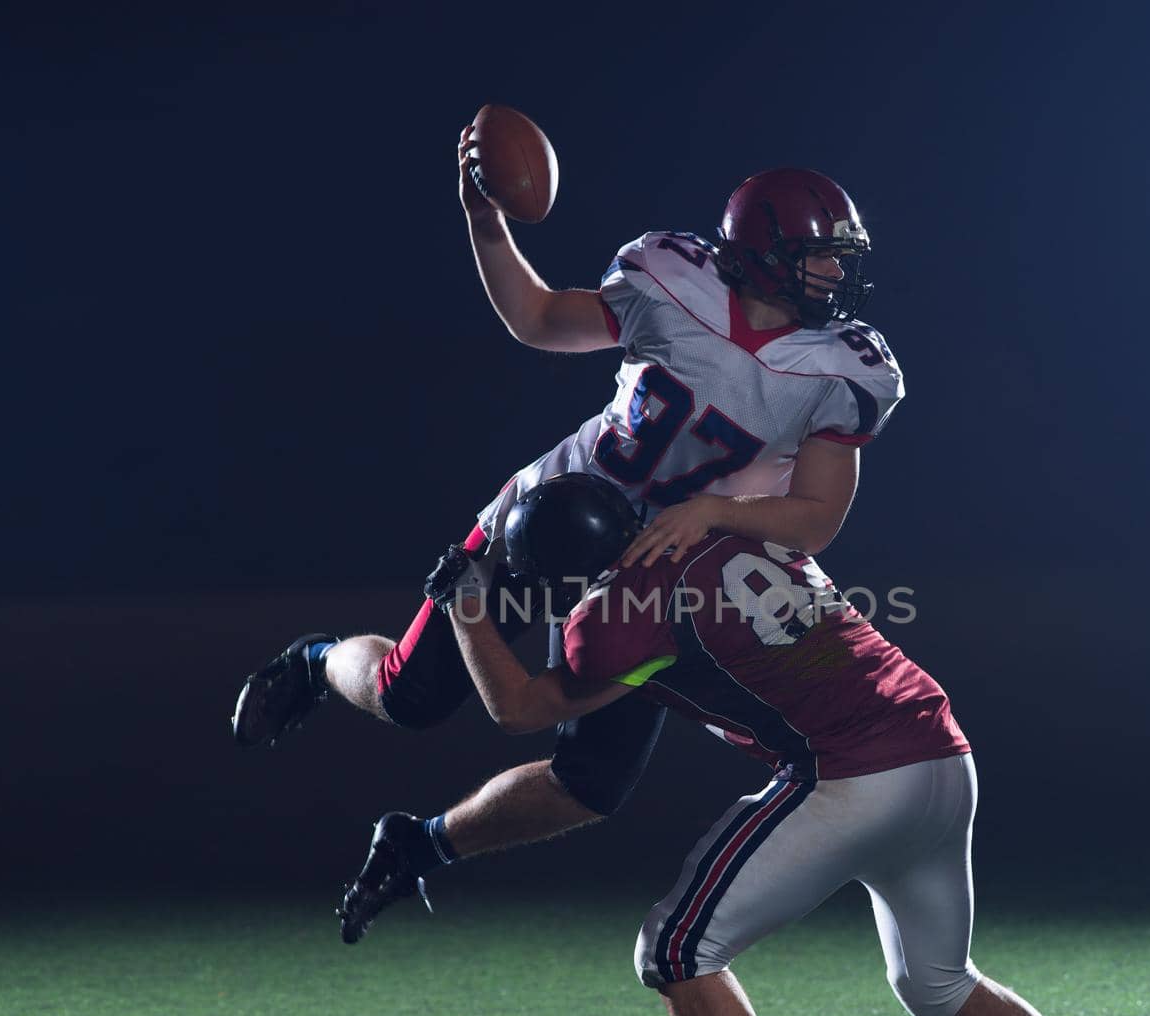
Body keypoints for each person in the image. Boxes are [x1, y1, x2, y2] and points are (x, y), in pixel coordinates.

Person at [337, 473, 1147, 1016]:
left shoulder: (618, 617)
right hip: (940, 754)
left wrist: (467, 607)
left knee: (676, 950)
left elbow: (520, 709)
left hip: (847, 775)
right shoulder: (726, 526)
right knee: (938, 982)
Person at [230, 131, 907, 839]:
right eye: (820, 255)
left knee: (591, 781)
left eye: (841, 255)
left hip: (656, 570)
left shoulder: (844, 367)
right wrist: (485, 221)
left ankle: (420, 849)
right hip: (550, 520)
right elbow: (540, 319)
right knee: (410, 696)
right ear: (761, 256)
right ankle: (315, 661)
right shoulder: (673, 280)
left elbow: (815, 519)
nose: (836, 273)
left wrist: (711, 512)